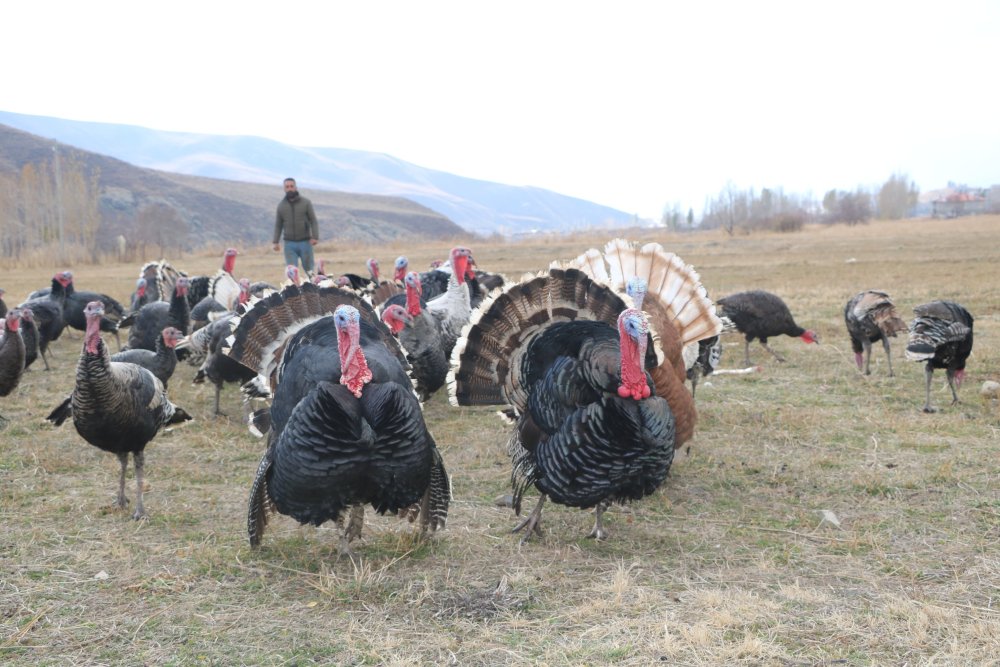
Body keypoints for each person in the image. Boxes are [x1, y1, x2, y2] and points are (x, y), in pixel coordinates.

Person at [273, 177, 319, 273]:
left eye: (291, 186)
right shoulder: (281, 206)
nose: (289, 189)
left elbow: (313, 220)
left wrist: (315, 236)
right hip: (289, 244)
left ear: (296, 187)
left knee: (310, 271)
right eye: (287, 187)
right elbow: (278, 225)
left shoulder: (306, 203)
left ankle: (312, 287)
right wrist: (275, 242)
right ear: (284, 189)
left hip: (305, 242)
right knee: (292, 272)